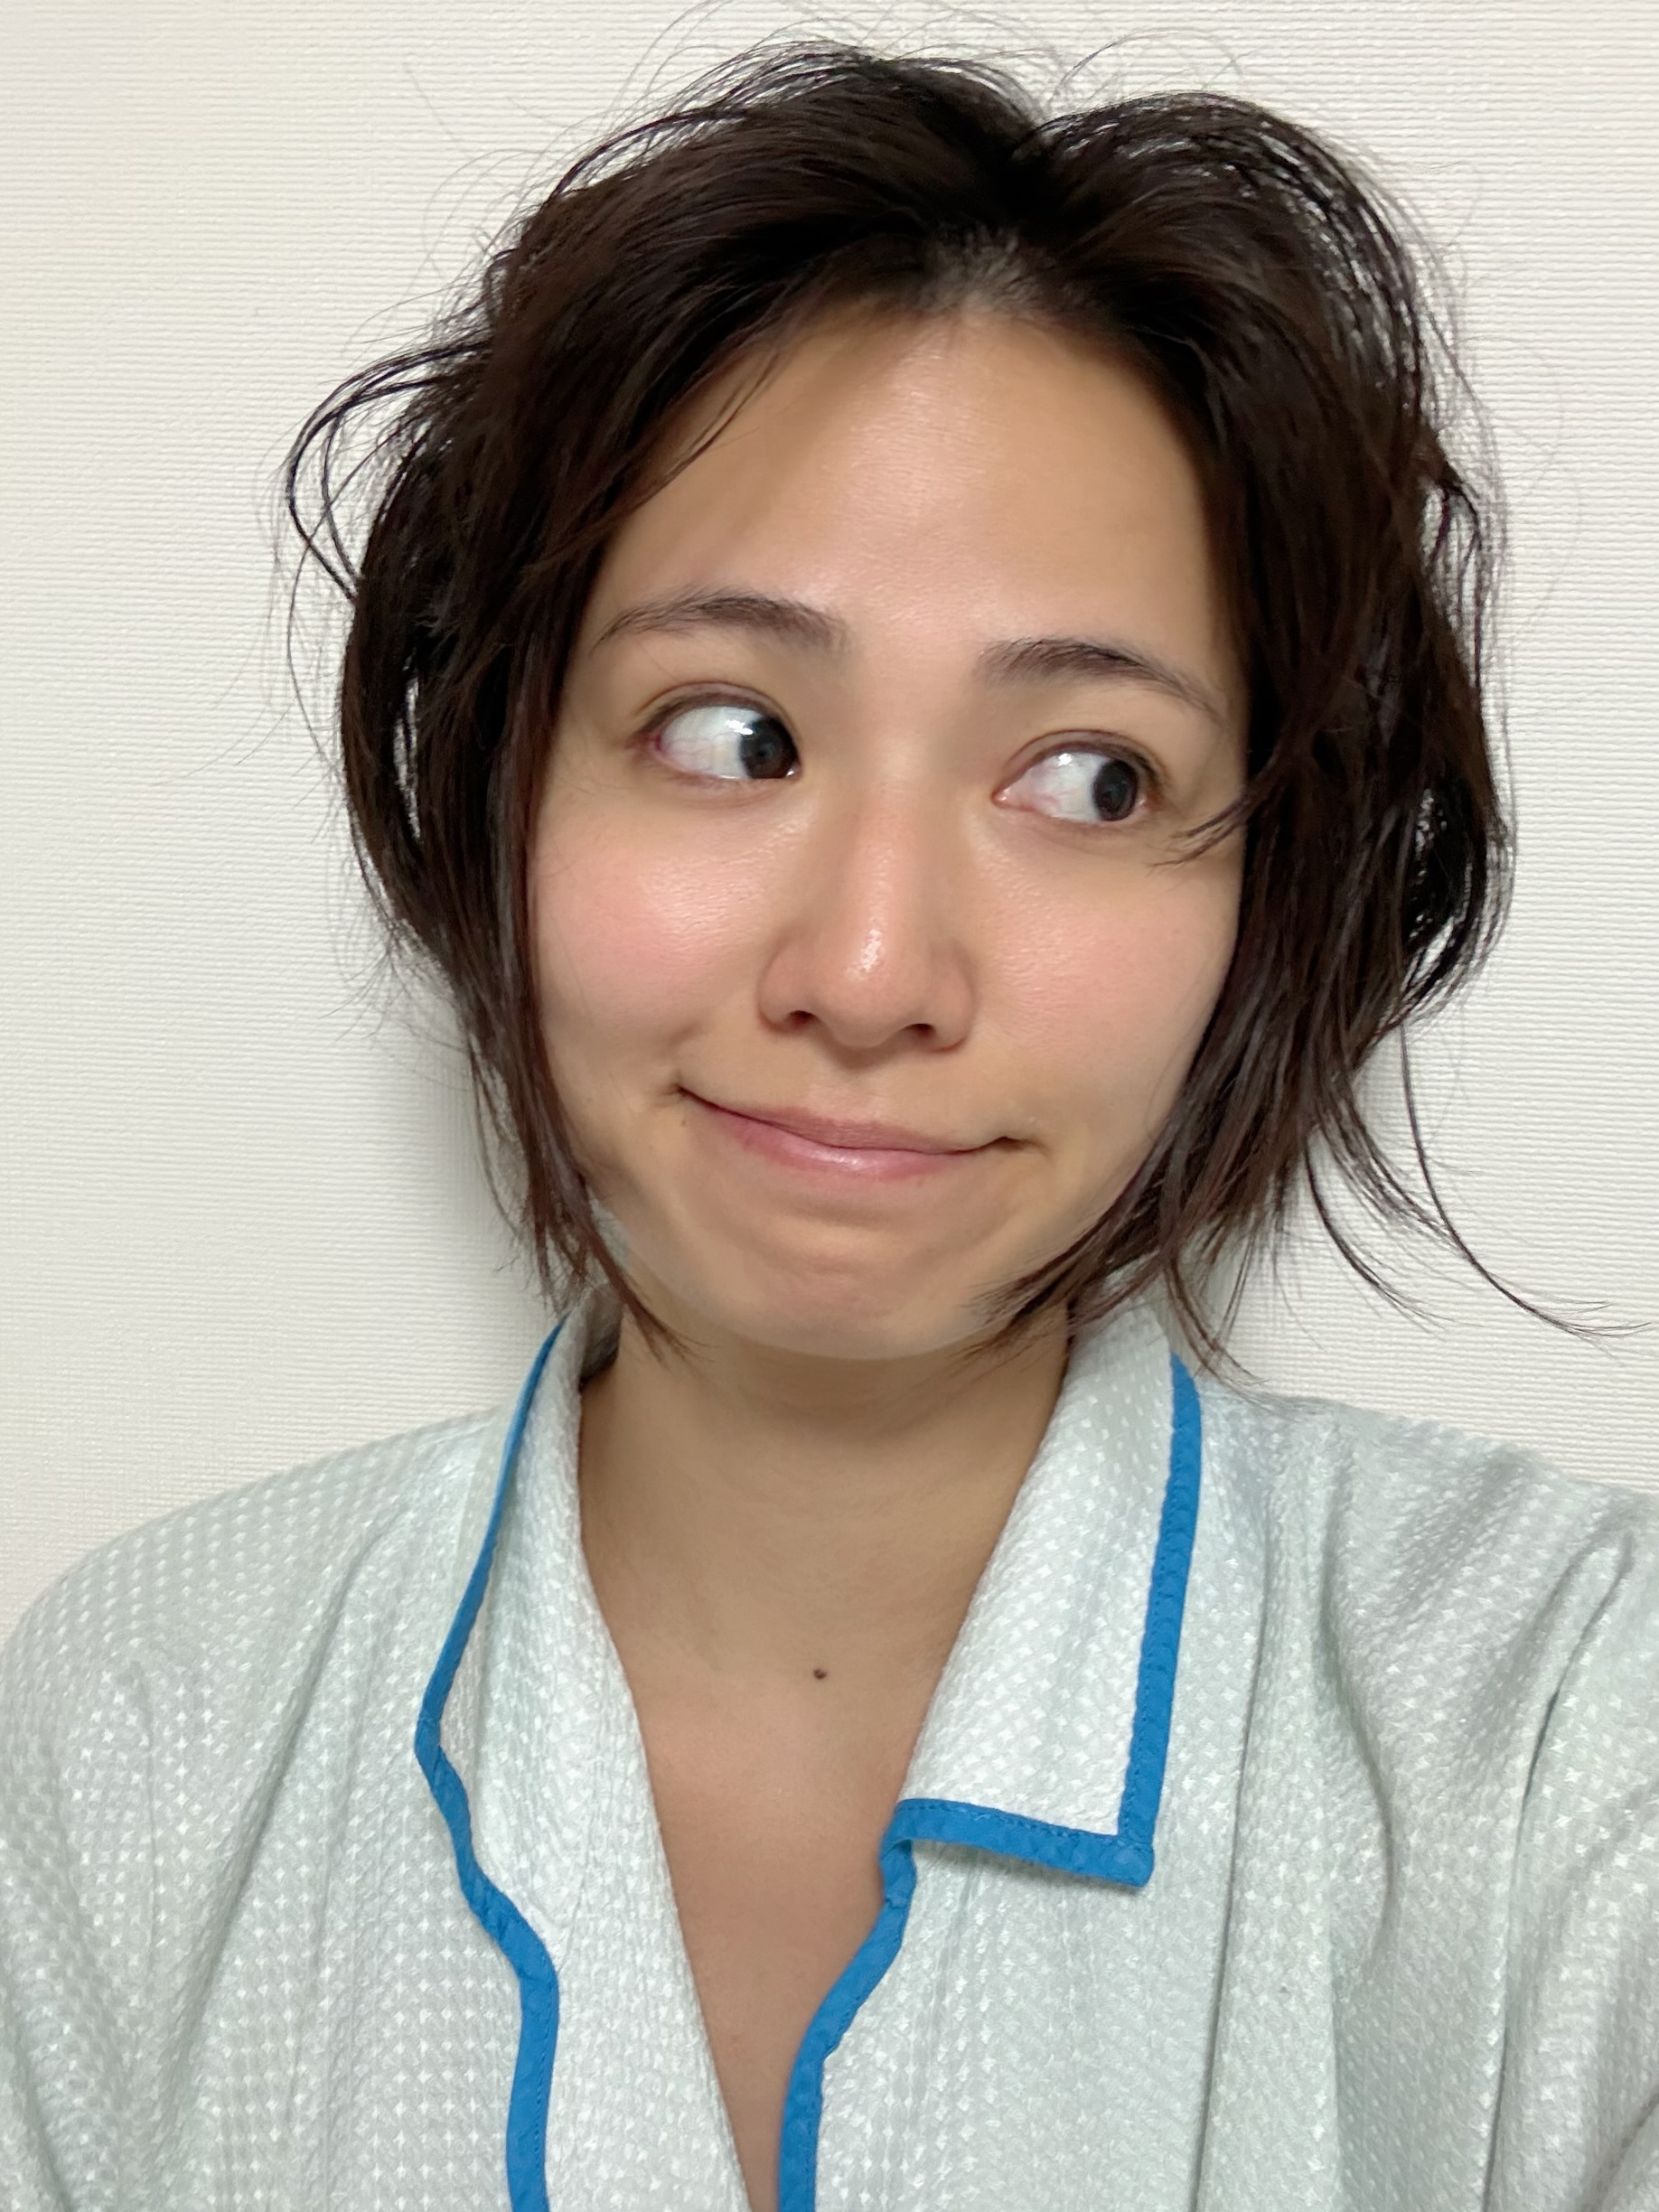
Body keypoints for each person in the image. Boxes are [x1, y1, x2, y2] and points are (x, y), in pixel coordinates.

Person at [1, 37, 1654, 2212]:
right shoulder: (140, 1732)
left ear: (1273, 897)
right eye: (731, 734)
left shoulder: (1568, 1742)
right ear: (498, 784)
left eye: (1094, 778)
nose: (870, 972)